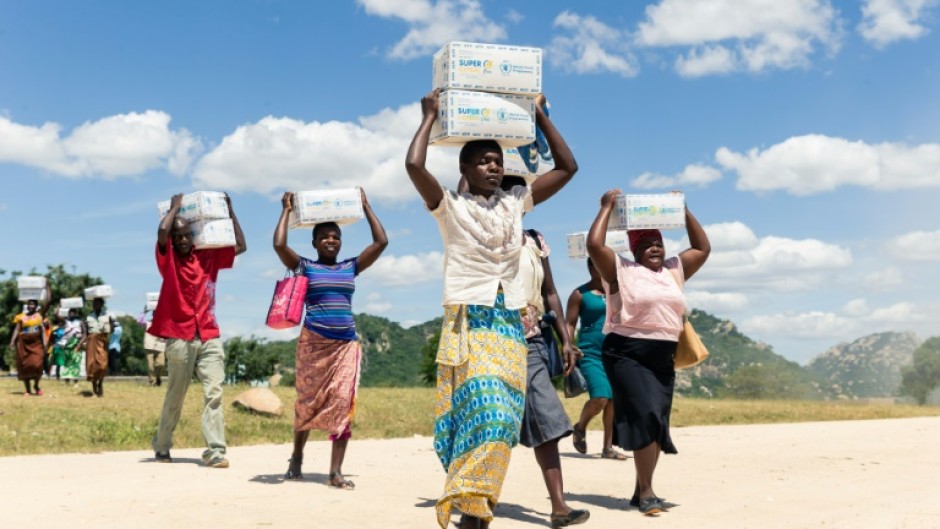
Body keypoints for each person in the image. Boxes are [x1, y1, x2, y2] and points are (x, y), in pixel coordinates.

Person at [406, 88, 577, 529]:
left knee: (502, 424)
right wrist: (428, 118)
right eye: (484, 160)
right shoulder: (449, 207)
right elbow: (413, 166)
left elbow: (567, 168)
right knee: (484, 413)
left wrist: (538, 116)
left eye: (498, 160)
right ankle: (470, 509)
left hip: (509, 324)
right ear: (464, 169)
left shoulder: (514, 205)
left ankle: (477, 510)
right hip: (470, 320)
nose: (494, 166)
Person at [586, 189, 710, 516]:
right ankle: (647, 492)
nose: (654, 248)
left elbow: (702, 247)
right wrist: (606, 207)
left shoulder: (673, 270)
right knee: (646, 414)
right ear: (634, 250)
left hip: (662, 357)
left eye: (658, 243)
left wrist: (682, 210)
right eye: (645, 245)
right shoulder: (620, 271)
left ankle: (642, 487)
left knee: (656, 421)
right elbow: (595, 246)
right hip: (626, 353)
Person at [273, 188, 387, 488]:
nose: (331, 240)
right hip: (313, 344)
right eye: (324, 236)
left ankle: (335, 472)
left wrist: (366, 206)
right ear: (314, 243)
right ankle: (297, 457)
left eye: (336, 236)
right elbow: (279, 244)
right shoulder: (305, 267)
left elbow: (381, 242)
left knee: (342, 403)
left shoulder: (351, 266)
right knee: (307, 403)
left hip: (345, 345)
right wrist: (285, 210)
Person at [510, 187, 589, 529]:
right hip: (490, 341)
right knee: (491, 422)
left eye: (519, 194)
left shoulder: (535, 240)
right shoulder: (480, 236)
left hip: (533, 342)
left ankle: (558, 506)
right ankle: (472, 501)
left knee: (546, 416)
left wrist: (566, 340)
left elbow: (551, 292)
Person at [150, 192, 246, 469]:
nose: (181, 240)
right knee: (175, 394)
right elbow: (161, 232)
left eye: (186, 235)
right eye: (177, 235)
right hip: (179, 336)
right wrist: (176, 208)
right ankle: (162, 444)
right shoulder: (167, 260)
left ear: (193, 236)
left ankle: (215, 451)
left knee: (214, 392)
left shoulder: (209, 257)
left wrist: (230, 211)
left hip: (209, 334)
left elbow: (240, 244)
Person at [564, 258, 627, 461]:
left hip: (616, 352)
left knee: (612, 400)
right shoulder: (579, 294)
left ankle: (608, 448)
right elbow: (570, 322)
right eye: (597, 265)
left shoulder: (619, 292)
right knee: (600, 397)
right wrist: (569, 344)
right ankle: (580, 427)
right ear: (591, 267)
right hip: (590, 353)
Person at [10, 285, 51, 395]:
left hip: (37, 343)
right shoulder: (21, 317)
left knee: (37, 364)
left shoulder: (40, 315)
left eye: (33, 304)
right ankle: (27, 390)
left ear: (36, 306)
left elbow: (48, 301)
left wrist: (47, 287)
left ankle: (36, 385)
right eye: (29, 304)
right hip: (24, 343)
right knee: (25, 366)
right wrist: (12, 342)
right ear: (27, 306)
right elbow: (17, 329)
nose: (31, 306)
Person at [79, 297, 116, 397]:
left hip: (102, 342)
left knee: (102, 365)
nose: (95, 305)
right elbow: (85, 334)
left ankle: (100, 382)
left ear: (101, 304)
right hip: (91, 342)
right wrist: (79, 344)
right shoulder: (88, 317)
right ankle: (94, 386)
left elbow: (111, 331)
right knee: (91, 365)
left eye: (98, 303)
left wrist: (112, 323)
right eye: (94, 303)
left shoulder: (107, 316)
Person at [137, 308, 167, 386]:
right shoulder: (148, 323)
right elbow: (139, 322)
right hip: (149, 346)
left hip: (160, 346)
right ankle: (152, 381)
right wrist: (144, 312)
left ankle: (158, 377)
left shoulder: (163, 323)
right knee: (150, 366)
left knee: (161, 364)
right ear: (153, 314)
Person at [59, 308, 84, 385]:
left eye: (73, 312)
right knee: (67, 363)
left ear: (76, 313)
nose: (71, 314)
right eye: (70, 312)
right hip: (67, 345)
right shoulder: (66, 322)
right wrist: (60, 306)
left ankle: (76, 382)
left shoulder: (80, 322)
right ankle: (67, 381)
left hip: (77, 344)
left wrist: (80, 343)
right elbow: (57, 315)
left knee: (76, 363)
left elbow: (85, 333)